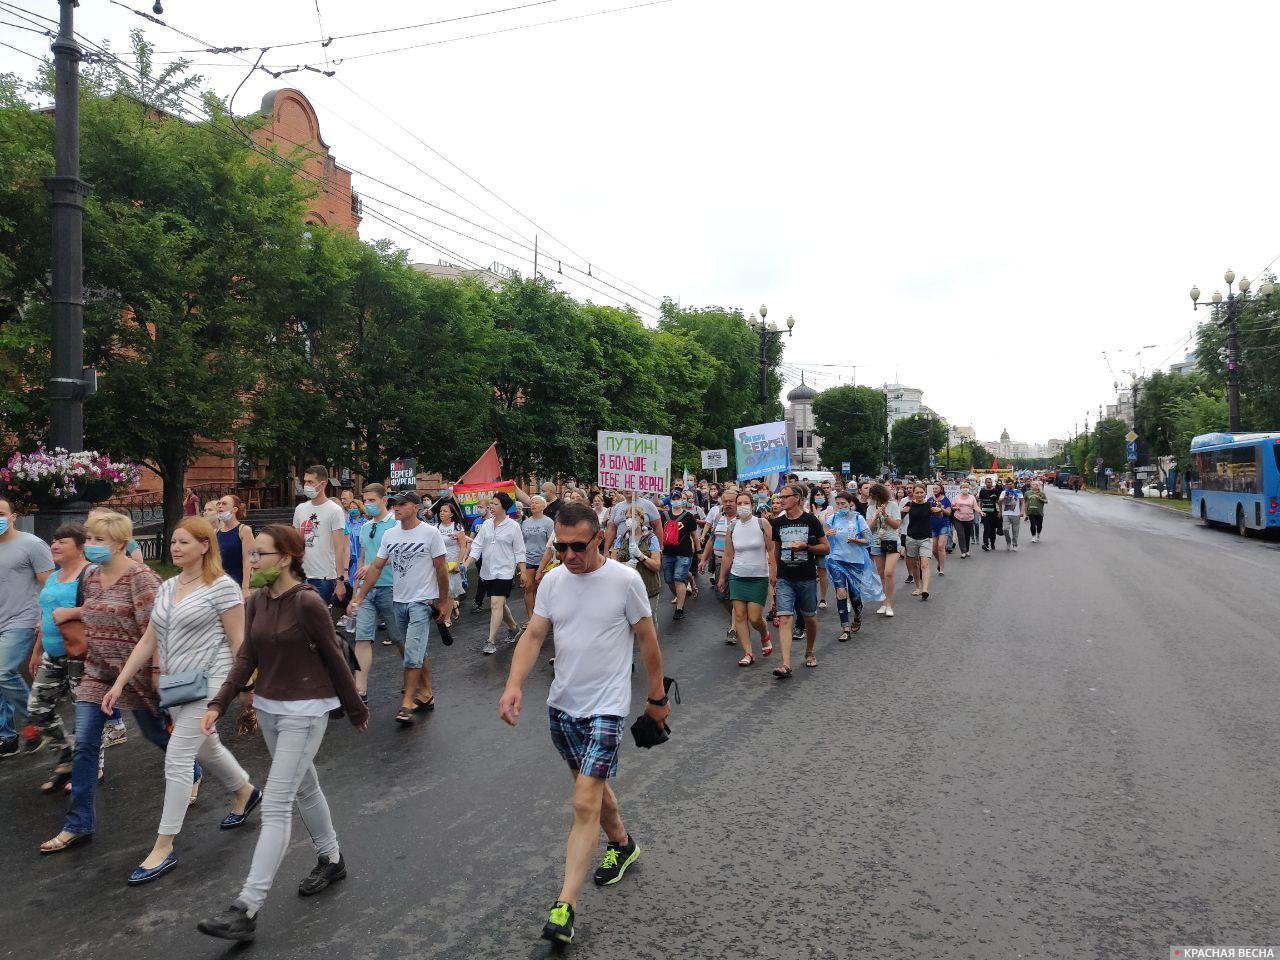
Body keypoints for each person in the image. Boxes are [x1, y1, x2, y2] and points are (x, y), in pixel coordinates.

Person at [498, 503, 668, 946]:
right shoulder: (553, 580)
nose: (569, 554)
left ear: (598, 539)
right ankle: (624, 845)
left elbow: (648, 640)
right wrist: (514, 685)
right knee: (591, 791)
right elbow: (534, 634)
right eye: (561, 545)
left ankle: (565, 905)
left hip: (606, 709)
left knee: (583, 800)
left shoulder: (625, 581)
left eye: (578, 546)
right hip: (562, 708)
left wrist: (656, 699)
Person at [196, 525, 368, 943]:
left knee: (276, 804)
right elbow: (246, 657)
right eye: (252, 555)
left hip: (305, 712)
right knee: (305, 787)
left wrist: (356, 708)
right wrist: (220, 702)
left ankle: (246, 907)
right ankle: (331, 858)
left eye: (260, 555)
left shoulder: (308, 602)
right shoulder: (256, 600)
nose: (252, 562)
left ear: (286, 558)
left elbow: (334, 657)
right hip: (271, 709)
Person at [101, 518, 259, 885]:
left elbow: (240, 643)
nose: (174, 547)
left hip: (212, 681)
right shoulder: (168, 586)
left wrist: (246, 688)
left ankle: (164, 845)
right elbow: (147, 641)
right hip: (177, 684)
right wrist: (119, 684)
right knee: (207, 747)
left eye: (183, 542)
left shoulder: (222, 588)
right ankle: (245, 791)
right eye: (173, 541)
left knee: (178, 757)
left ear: (205, 546)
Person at [40, 511, 171, 854]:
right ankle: (78, 823)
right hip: (97, 671)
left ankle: (192, 768)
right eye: (90, 539)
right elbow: (94, 611)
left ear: (121, 543)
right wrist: (71, 615)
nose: (92, 546)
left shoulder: (143, 579)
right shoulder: (93, 577)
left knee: (156, 733)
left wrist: (156, 673)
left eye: (99, 540)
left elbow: (155, 632)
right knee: (85, 744)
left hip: (137, 673)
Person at [350, 492, 451, 724]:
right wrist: (360, 596)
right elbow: (375, 567)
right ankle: (426, 694)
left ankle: (407, 702)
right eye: (395, 504)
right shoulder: (390, 534)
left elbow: (441, 569)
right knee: (414, 649)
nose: (397, 507)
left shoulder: (430, 533)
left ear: (416, 507)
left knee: (412, 651)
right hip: (399, 601)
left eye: (402, 504)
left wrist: (443, 602)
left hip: (422, 601)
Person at [26, 522, 92, 792]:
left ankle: (88, 769)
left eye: (63, 541)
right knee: (38, 709)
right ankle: (67, 756)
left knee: (86, 716)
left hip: (79, 657)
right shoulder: (54, 576)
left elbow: (97, 609)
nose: (55, 545)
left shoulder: (90, 573)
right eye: (54, 540)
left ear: (80, 547)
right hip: (52, 656)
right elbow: (45, 616)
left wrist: (71, 614)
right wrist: (36, 651)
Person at [0, 496, 54, 757]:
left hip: (22, 620)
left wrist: (44, 621)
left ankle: (39, 721)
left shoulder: (32, 545)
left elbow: (50, 586)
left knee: (2, 671)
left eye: (0, 513)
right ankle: (7, 737)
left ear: (13, 516)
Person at [346, 483, 404, 689]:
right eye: (366, 500)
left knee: (399, 638)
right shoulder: (364, 527)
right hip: (367, 591)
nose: (368, 504)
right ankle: (359, 689)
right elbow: (361, 560)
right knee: (362, 638)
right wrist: (355, 594)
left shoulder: (396, 525)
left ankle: (414, 675)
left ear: (384, 500)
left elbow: (400, 555)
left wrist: (376, 564)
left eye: (372, 500)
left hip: (391, 588)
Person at [769, 483, 829, 676]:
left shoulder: (810, 520)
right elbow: (776, 550)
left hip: (807, 577)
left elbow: (825, 548)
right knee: (785, 618)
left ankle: (809, 652)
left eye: (785, 497)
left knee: (809, 618)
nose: (781, 500)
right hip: (785, 577)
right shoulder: (777, 522)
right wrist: (775, 573)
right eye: (780, 497)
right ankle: (786, 664)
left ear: (797, 498)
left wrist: (806, 547)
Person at [718, 492, 775, 665]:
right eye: (739, 503)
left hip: (758, 576)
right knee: (740, 615)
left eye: (746, 502)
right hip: (737, 576)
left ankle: (764, 634)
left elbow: (771, 549)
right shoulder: (732, 527)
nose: (742, 506)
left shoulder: (762, 523)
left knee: (755, 617)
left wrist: (773, 572)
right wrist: (722, 577)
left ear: (752, 504)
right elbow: (728, 555)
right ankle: (748, 653)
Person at [472, 492, 526, 655]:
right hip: (488, 571)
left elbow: (519, 550)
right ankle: (513, 628)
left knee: (495, 604)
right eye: (491, 504)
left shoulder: (513, 526)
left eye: (495, 504)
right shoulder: (487, 524)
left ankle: (491, 641)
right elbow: (477, 546)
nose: (491, 507)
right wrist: (465, 563)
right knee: (500, 604)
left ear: (503, 506)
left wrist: (522, 570)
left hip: (505, 571)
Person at [292, 465, 348, 605]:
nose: (306, 485)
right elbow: (295, 543)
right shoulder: (300, 509)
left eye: (310, 482)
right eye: (305, 481)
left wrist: (340, 580)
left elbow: (339, 547)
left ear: (323, 484)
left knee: (317, 621)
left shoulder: (334, 510)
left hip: (323, 576)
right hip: (301, 575)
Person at [823, 490, 873, 641]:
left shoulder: (858, 518)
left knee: (855, 595)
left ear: (850, 504)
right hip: (836, 559)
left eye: (843, 503)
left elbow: (869, 540)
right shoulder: (831, 519)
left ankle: (857, 615)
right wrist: (826, 535)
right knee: (841, 592)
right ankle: (845, 628)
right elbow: (822, 540)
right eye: (837, 504)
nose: (840, 506)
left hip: (855, 561)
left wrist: (856, 540)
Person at [699, 489, 740, 643]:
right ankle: (739, 617)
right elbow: (711, 540)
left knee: (735, 596)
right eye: (725, 501)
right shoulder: (718, 518)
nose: (728, 504)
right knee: (721, 595)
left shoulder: (742, 519)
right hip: (718, 562)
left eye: (731, 501)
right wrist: (703, 559)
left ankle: (734, 628)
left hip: (737, 564)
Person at [659, 489, 700, 621]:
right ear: (671, 501)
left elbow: (694, 535)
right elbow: (659, 533)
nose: (677, 501)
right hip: (668, 553)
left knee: (678, 578)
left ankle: (679, 608)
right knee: (669, 579)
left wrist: (698, 551)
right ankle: (687, 584)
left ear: (684, 501)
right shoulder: (664, 515)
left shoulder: (689, 517)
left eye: (680, 498)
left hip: (684, 553)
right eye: (674, 498)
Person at [865, 482, 901, 617]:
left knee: (889, 573)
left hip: (891, 540)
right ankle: (883, 602)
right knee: (881, 574)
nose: (872, 497)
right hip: (877, 542)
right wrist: (875, 515)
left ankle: (889, 603)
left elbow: (896, 525)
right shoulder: (870, 508)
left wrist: (885, 515)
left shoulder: (893, 505)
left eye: (873, 495)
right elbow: (869, 528)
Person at [521, 496, 555, 629]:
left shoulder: (548, 522)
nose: (533, 505)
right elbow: (522, 542)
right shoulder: (526, 523)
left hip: (544, 560)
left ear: (543, 506)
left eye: (537, 503)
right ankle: (531, 618)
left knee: (542, 590)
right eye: (532, 503)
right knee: (528, 587)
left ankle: (546, 617)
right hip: (529, 558)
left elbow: (551, 543)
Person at [435, 501, 470, 623]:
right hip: (440, 563)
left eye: (445, 511)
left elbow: (463, 546)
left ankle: (447, 619)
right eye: (440, 511)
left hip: (452, 562)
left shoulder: (457, 527)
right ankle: (454, 606)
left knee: (450, 591)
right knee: (441, 591)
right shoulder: (436, 528)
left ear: (451, 514)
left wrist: (459, 563)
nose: (442, 513)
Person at [215, 494, 254, 599]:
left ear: (234, 509)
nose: (220, 506)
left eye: (224, 503)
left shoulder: (244, 530)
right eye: (219, 503)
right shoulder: (217, 532)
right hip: (220, 581)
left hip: (237, 580)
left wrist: (245, 587)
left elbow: (248, 560)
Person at [900, 484, 934, 600]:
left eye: (921, 492)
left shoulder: (930, 504)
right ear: (913, 493)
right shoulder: (909, 504)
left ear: (925, 493)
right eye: (917, 492)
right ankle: (918, 587)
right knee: (915, 564)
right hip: (911, 537)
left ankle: (925, 589)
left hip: (926, 537)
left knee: (924, 564)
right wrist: (903, 511)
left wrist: (939, 510)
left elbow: (940, 515)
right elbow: (899, 517)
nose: (919, 495)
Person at [810, 487, 831, 610]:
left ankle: (823, 598)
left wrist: (817, 515)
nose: (819, 497)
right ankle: (811, 597)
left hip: (823, 543)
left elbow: (826, 525)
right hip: (810, 544)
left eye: (821, 494)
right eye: (816, 495)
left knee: (822, 571)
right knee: (810, 573)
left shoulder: (829, 509)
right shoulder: (808, 508)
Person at [928, 483, 953, 576]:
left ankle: (941, 569)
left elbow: (949, 513)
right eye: (933, 488)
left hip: (944, 524)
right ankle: (940, 561)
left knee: (941, 546)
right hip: (933, 525)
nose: (934, 490)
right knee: (934, 549)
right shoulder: (930, 500)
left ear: (941, 489)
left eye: (936, 488)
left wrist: (941, 509)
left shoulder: (946, 500)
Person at [950, 480, 978, 558]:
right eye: (963, 487)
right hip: (958, 518)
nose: (965, 489)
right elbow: (952, 506)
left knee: (967, 534)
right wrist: (955, 508)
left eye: (966, 487)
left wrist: (980, 511)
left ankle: (967, 550)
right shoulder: (956, 497)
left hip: (969, 518)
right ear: (960, 488)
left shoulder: (972, 497)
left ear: (969, 489)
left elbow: (975, 507)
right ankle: (963, 551)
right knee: (960, 534)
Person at [999, 477, 1025, 550]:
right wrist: (1004, 498)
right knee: (1005, 529)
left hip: (1016, 514)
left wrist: (1022, 512)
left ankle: (1015, 544)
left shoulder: (1018, 492)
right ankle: (1008, 542)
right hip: (1006, 513)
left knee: (1015, 531)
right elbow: (999, 502)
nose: (1009, 485)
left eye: (1010, 484)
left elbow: (1022, 502)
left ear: (1013, 484)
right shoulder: (1004, 492)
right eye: (1007, 484)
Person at [978, 476, 1002, 552]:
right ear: (985, 483)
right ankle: (985, 544)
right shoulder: (982, 491)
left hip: (994, 513)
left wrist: (1000, 512)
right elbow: (980, 502)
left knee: (992, 529)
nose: (990, 483)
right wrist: (980, 511)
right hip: (985, 513)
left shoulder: (996, 491)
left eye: (991, 482)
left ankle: (992, 543)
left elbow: (999, 502)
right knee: (986, 528)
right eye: (988, 482)